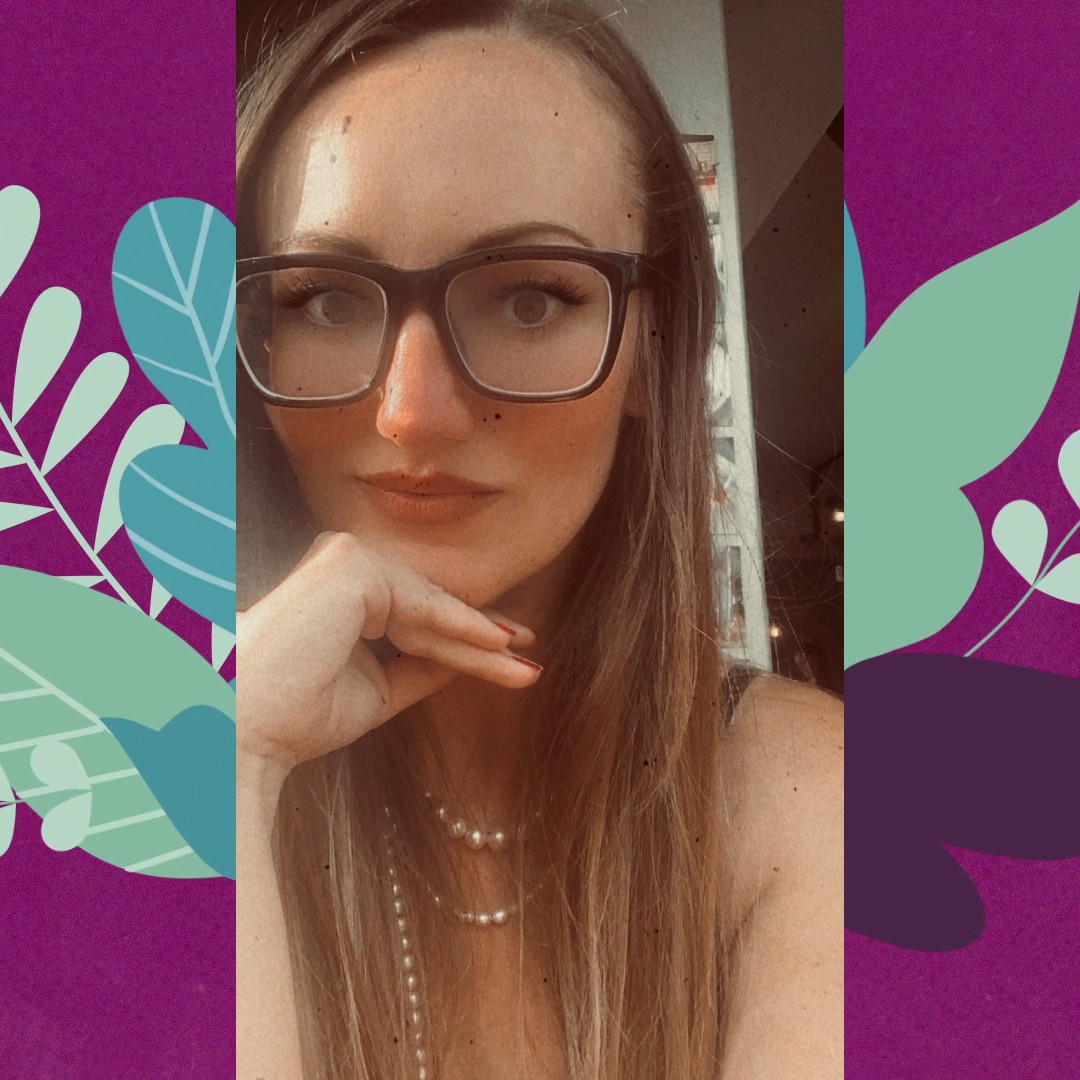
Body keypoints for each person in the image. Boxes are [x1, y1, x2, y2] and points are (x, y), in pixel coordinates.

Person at [235, 1, 843, 1077]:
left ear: (654, 348)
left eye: (526, 299)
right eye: (325, 300)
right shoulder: (109, 785)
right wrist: (225, 766)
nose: (411, 413)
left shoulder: (821, 799)